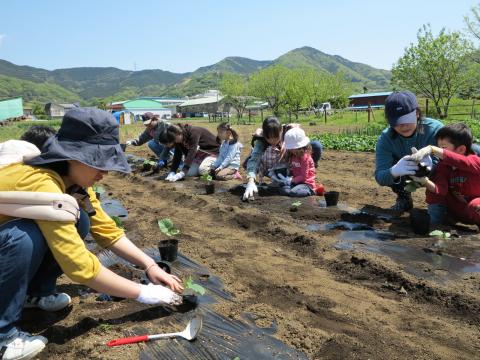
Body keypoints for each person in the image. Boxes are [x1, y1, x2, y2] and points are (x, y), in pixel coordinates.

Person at [0, 108, 183, 360]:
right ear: (72, 156)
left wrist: (149, 264)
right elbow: (79, 267)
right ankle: (3, 337)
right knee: (23, 236)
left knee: (82, 220)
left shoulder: (74, 185)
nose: (104, 172)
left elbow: (106, 230)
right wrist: (144, 293)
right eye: (99, 162)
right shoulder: (42, 182)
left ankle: (36, 294)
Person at [374, 91, 443, 212]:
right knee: (392, 171)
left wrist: (433, 166)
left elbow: (454, 157)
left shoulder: (435, 130)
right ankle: (404, 198)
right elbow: (380, 176)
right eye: (397, 121)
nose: (403, 125)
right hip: (406, 174)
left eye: (407, 119)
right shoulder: (386, 138)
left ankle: (446, 199)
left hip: (436, 175)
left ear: (417, 113)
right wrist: (394, 171)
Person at [409, 123, 480, 226]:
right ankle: (434, 222)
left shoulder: (474, 162)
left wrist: (433, 149)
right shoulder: (442, 167)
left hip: (475, 206)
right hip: (455, 210)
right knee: (434, 193)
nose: (440, 151)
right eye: (439, 147)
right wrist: (424, 181)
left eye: (443, 147)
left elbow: (460, 161)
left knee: (476, 207)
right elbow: (440, 189)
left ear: (461, 149)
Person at [242, 116, 323, 200]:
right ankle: (287, 177)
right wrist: (251, 181)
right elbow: (254, 160)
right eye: (269, 138)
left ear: (281, 131)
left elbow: (300, 139)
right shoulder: (260, 140)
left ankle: (308, 168)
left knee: (316, 145)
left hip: (289, 164)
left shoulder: (288, 131)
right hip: (270, 167)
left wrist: (287, 145)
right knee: (250, 161)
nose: (273, 141)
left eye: (276, 137)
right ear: (265, 135)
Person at [274, 128, 321, 197]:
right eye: (291, 148)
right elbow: (294, 169)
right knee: (284, 189)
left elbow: (303, 177)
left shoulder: (305, 158)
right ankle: (293, 190)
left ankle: (311, 191)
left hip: (306, 184)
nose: (292, 150)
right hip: (297, 183)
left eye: (293, 148)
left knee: (294, 192)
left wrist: (291, 180)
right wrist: (287, 174)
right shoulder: (293, 156)